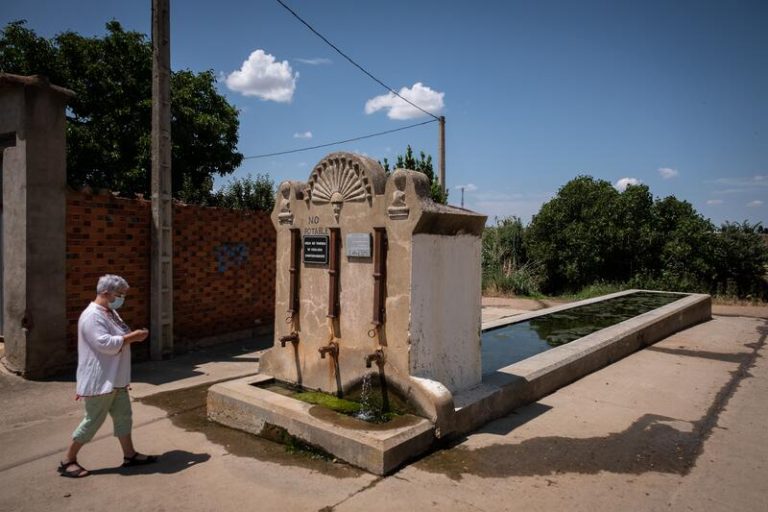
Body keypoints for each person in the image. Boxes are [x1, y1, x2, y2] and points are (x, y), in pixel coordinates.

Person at [58, 274, 158, 478]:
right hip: (100, 382)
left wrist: (133, 336)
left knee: (123, 417)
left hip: (116, 380)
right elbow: (104, 344)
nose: (122, 298)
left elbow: (120, 335)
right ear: (105, 293)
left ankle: (129, 455)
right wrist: (132, 337)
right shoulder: (92, 316)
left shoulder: (110, 313)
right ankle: (68, 460)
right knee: (93, 421)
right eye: (119, 295)